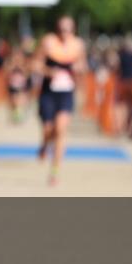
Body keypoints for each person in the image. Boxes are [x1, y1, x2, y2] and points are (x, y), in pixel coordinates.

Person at [35, 15, 86, 185]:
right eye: (62, 29)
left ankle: (54, 172)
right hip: (49, 92)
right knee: (49, 130)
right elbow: (35, 63)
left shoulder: (78, 45)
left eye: (68, 29)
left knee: (61, 129)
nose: (64, 32)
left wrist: (80, 72)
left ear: (73, 30)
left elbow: (83, 67)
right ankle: (44, 144)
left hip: (66, 92)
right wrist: (49, 71)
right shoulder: (48, 42)